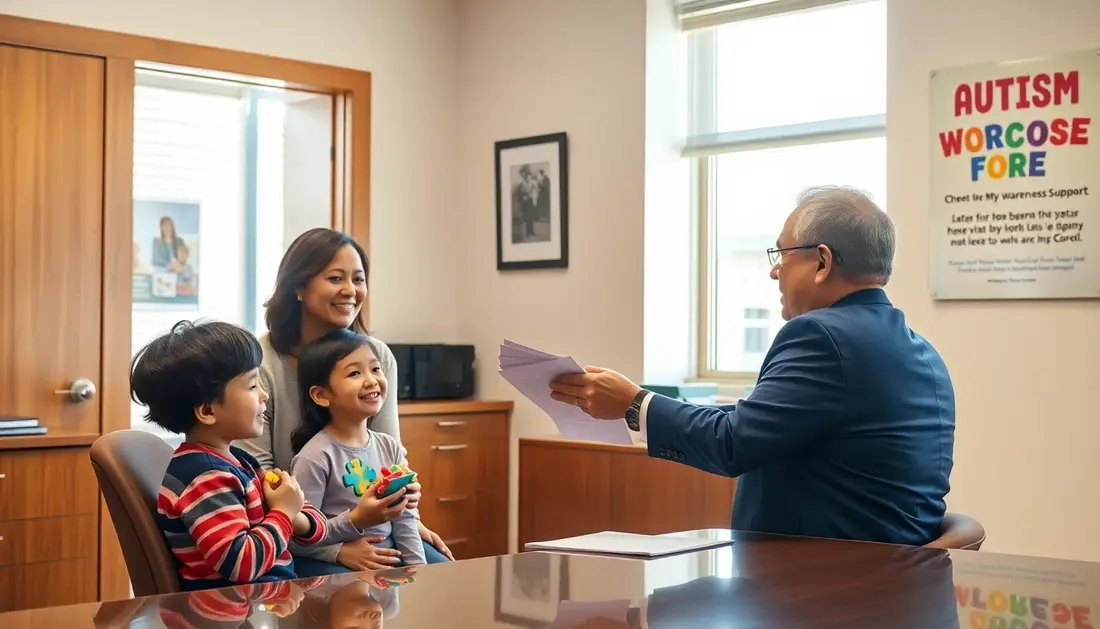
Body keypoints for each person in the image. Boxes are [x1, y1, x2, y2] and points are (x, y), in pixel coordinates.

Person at [549, 186, 955, 546]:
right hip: (893, 590)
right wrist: (637, 403)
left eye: (782, 253)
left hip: (817, 594)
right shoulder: (922, 351)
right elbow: (765, 424)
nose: (774, 270)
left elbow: (733, 444)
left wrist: (634, 404)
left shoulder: (820, 335)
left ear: (823, 262)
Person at [236, 227, 453, 567]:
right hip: (294, 533)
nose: (350, 291)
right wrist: (336, 548)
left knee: (440, 574)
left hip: (381, 529)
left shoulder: (378, 356)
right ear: (298, 287)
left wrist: (409, 513)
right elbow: (259, 476)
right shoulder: (261, 362)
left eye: (358, 279)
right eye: (336, 278)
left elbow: (391, 463)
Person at [130, 320, 329, 591]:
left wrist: (292, 511)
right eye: (251, 386)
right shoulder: (206, 477)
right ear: (208, 412)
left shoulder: (240, 460)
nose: (264, 395)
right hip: (236, 609)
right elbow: (241, 565)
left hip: (266, 599)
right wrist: (284, 511)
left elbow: (315, 528)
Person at [289, 329, 426, 575]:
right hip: (334, 565)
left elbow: (404, 518)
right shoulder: (315, 456)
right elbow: (297, 537)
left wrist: (418, 569)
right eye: (354, 373)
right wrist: (350, 531)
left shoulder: (389, 446)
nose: (371, 380)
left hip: (387, 559)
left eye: (375, 369)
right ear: (321, 395)